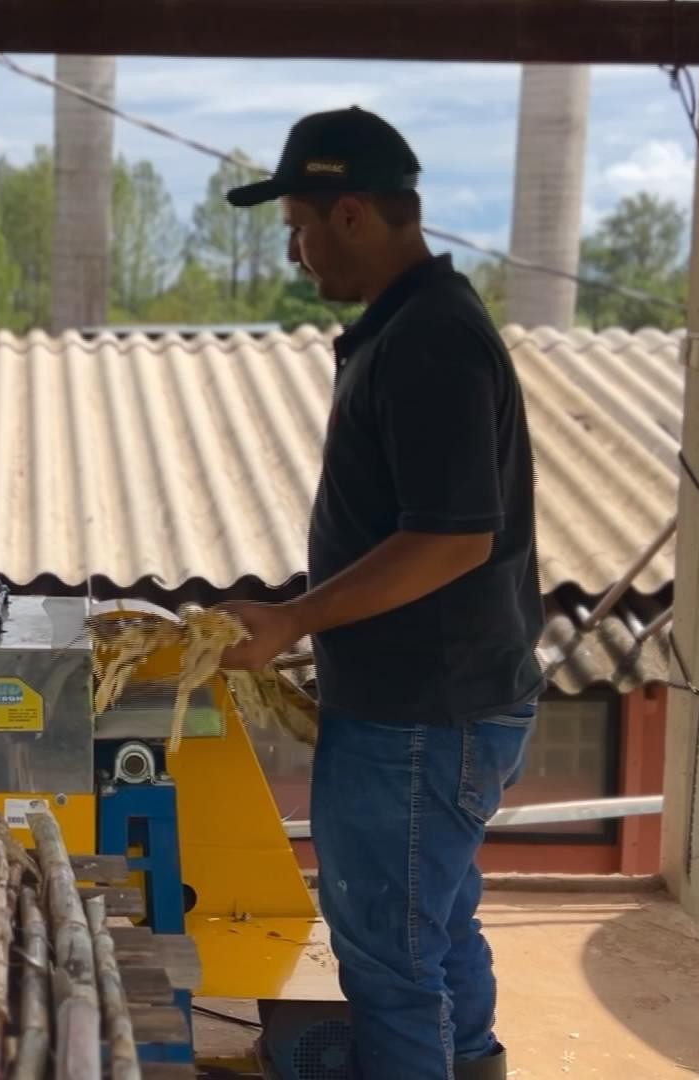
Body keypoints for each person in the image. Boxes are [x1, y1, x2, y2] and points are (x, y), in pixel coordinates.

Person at [215, 108, 543, 1080]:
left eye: (300, 225)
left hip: (419, 717)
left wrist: (296, 620)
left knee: (387, 958)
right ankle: (469, 1062)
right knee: (434, 924)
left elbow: (450, 540)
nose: (295, 249)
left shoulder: (430, 343)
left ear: (350, 213)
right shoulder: (415, 326)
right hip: (443, 701)